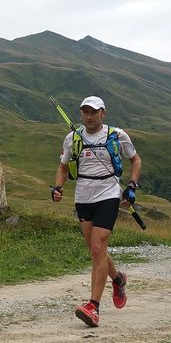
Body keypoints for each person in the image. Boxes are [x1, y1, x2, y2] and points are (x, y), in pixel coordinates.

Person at [51, 95, 142, 327]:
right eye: (85, 112)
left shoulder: (117, 135)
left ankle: (93, 307)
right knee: (96, 251)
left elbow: (136, 160)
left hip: (108, 193)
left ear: (103, 113)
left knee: (98, 247)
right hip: (83, 195)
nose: (89, 116)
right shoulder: (73, 138)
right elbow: (63, 167)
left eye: (94, 112)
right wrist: (58, 187)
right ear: (81, 114)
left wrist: (132, 186)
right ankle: (118, 280)